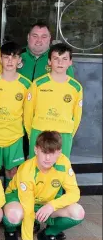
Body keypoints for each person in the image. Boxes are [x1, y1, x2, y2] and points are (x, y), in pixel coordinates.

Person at [3, 131, 85, 240]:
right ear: (36, 150)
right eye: (44, 152)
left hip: (46, 201)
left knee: (78, 212)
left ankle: (48, 234)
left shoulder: (63, 162)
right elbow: (28, 209)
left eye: (52, 153)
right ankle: (10, 232)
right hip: (19, 199)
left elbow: (74, 193)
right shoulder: (26, 170)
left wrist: (52, 205)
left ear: (59, 152)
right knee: (14, 215)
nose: (47, 158)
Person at [17, 21, 75, 162]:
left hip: (42, 123)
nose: (39, 40)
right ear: (28, 37)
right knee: (18, 164)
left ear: (49, 39)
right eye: (35, 36)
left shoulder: (57, 59)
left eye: (44, 36)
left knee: (43, 160)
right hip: (15, 120)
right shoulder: (17, 56)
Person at [0, 42, 30, 187]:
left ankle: (10, 199)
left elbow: (27, 113)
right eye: (6, 57)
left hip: (14, 136)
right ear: (0, 59)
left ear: (19, 60)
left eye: (14, 57)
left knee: (12, 171)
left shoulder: (26, 84)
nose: (10, 61)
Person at [24, 43, 82, 158]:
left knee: (60, 171)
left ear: (70, 62)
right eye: (56, 59)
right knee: (36, 169)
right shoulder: (38, 84)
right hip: (39, 132)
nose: (60, 63)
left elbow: (77, 116)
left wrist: (68, 134)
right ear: (49, 61)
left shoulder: (76, 87)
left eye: (64, 59)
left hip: (64, 135)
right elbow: (28, 112)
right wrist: (32, 134)